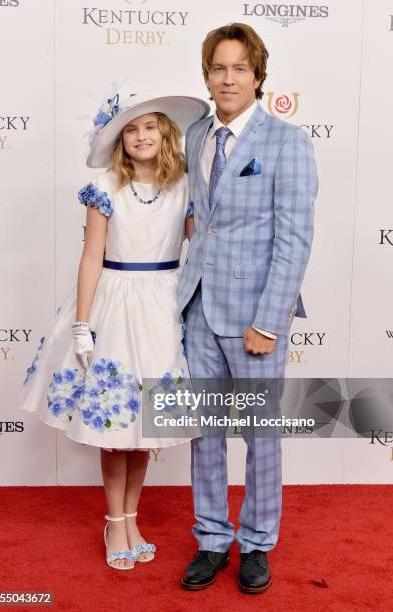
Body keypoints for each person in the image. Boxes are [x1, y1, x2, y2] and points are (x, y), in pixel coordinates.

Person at [20, 91, 209, 571]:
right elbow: (91, 257)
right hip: (115, 303)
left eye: (149, 126)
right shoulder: (105, 186)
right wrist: (83, 324)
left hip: (164, 306)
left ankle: (132, 516)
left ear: (165, 133)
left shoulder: (185, 185)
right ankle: (114, 520)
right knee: (114, 425)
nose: (141, 136)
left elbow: (202, 241)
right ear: (119, 141)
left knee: (145, 425)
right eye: (131, 129)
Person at [179, 23, 318, 593]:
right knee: (204, 433)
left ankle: (258, 543)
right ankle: (212, 538)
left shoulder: (288, 141)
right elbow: (195, 218)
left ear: (258, 76)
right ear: (207, 75)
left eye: (240, 68)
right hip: (197, 309)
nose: (228, 77)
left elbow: (294, 240)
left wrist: (270, 319)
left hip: (255, 316)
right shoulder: (193, 136)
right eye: (219, 67)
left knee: (261, 435)